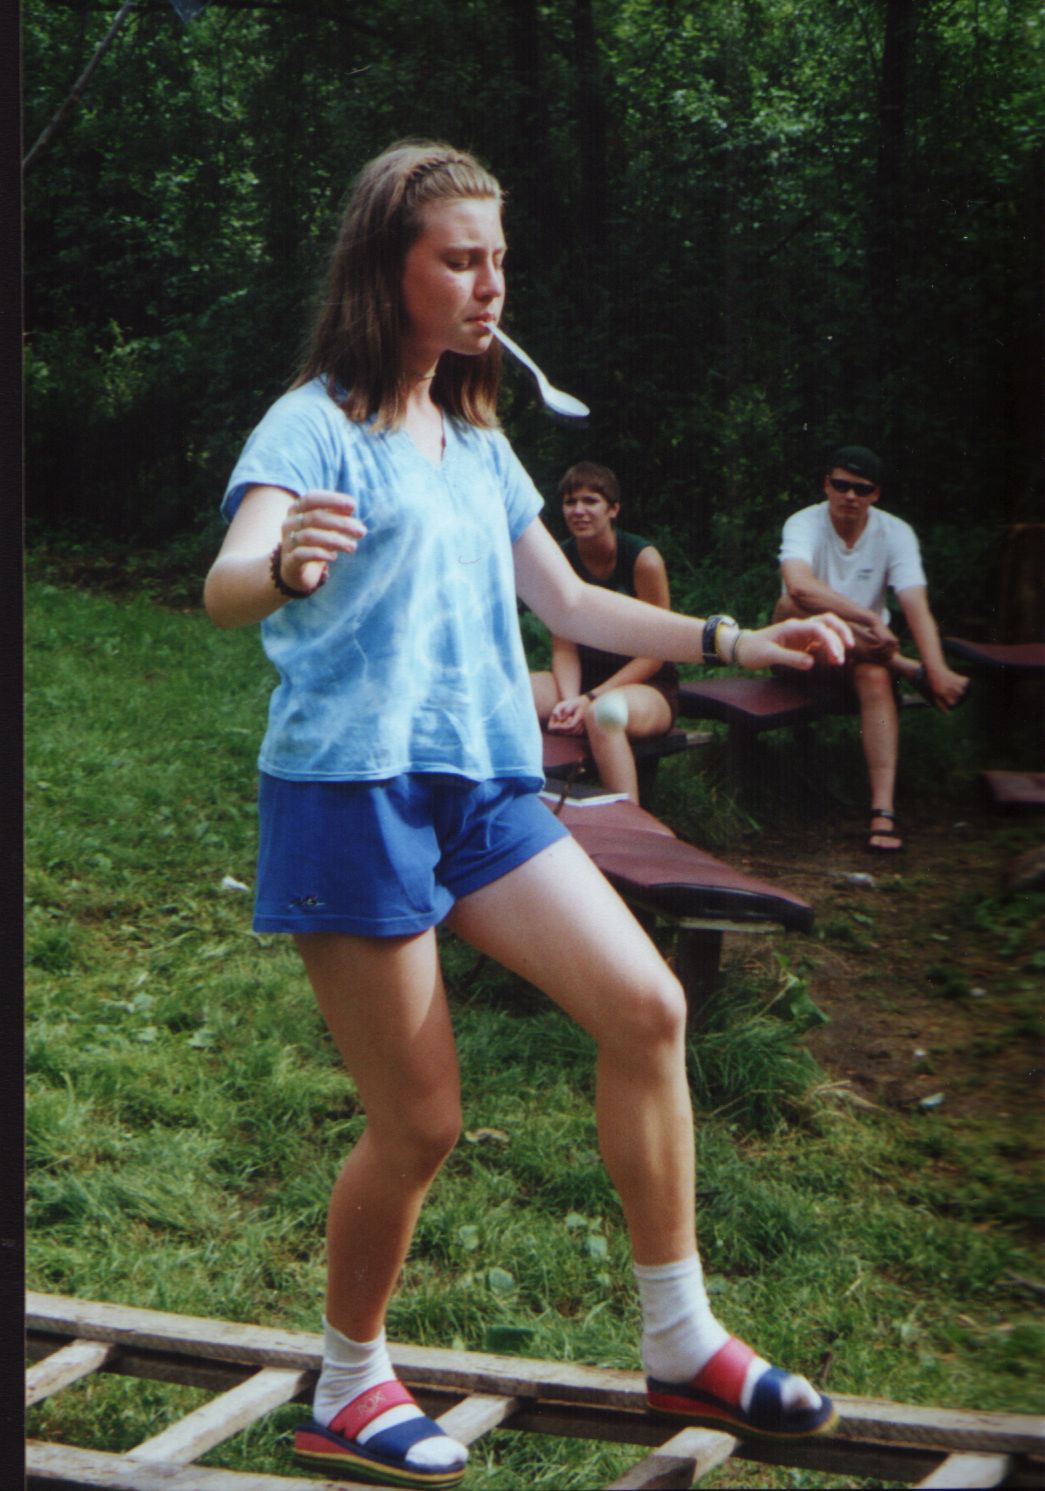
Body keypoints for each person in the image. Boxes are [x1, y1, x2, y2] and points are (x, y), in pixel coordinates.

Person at [205, 140, 851, 1489]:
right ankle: (347, 1383)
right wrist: (284, 565)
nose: (491, 284)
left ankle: (680, 1337)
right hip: (353, 795)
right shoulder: (310, 425)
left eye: (498, 258)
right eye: (461, 259)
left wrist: (734, 637)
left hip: (486, 786)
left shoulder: (476, 440)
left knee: (648, 1008)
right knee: (422, 1120)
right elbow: (228, 579)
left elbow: (567, 603)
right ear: (387, 269)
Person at [774, 445, 969, 853]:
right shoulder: (804, 522)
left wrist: (937, 670)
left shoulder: (895, 532)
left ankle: (883, 809)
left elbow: (916, 606)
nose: (850, 496)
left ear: (876, 494)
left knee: (876, 679)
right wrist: (869, 619)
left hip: (865, 656)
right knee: (791, 606)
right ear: (826, 484)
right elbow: (799, 587)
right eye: (841, 485)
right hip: (803, 650)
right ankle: (905, 666)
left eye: (861, 489)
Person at [530, 461, 678, 801]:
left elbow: (657, 653)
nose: (578, 510)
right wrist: (571, 701)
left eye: (590, 501)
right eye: (570, 502)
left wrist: (591, 700)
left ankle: (628, 823)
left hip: (645, 685)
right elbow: (564, 646)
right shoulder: (560, 561)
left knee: (604, 714)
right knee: (509, 693)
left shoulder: (642, 560)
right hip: (580, 679)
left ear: (613, 509)